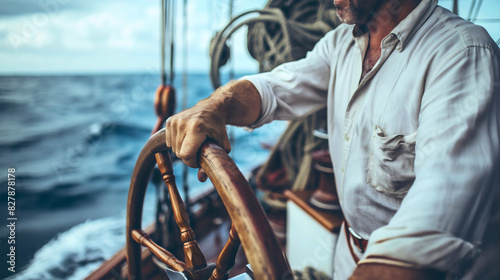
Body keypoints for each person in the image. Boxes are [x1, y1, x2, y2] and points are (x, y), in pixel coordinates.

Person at [165, 0, 500, 279]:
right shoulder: (342, 43)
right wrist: (215, 106)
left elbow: (431, 226)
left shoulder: (463, 54)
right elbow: (277, 89)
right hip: (347, 251)